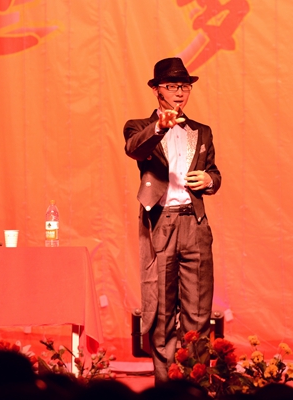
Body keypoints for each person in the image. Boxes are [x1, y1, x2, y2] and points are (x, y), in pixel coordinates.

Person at [123, 57, 222, 384]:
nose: (179, 92)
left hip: (195, 224)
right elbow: (135, 149)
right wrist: (161, 126)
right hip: (161, 223)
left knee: (198, 312)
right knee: (161, 312)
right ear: (156, 90)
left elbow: (214, 172)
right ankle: (166, 388)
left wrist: (209, 180)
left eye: (184, 86)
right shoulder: (139, 126)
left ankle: (196, 386)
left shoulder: (201, 131)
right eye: (171, 86)